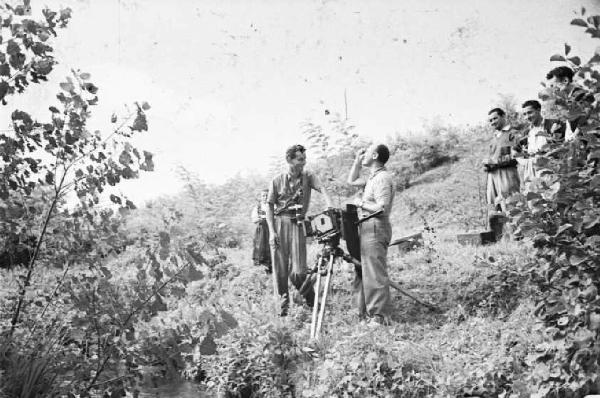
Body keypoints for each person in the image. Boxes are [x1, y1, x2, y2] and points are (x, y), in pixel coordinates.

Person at [266, 144, 333, 316]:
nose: (303, 163)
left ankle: (311, 300)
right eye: (300, 159)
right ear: (289, 159)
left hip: (298, 224)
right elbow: (269, 207)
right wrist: (272, 232)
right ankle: (283, 310)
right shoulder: (276, 180)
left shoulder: (308, 176)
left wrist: (329, 204)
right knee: (280, 270)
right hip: (280, 223)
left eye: (304, 159)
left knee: (299, 271)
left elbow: (322, 188)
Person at [347, 143, 395, 327]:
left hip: (375, 226)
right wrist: (357, 162)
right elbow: (351, 181)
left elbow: (382, 208)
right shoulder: (373, 178)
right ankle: (369, 313)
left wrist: (360, 203)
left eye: (366, 152)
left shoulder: (382, 178)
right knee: (365, 271)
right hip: (368, 226)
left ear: (375, 155)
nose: (362, 153)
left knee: (375, 272)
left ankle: (379, 317)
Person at [483, 108, 521, 239]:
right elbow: (492, 156)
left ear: (503, 117)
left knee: (510, 203)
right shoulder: (494, 137)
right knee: (493, 205)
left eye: (495, 118)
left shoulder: (512, 133)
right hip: (493, 175)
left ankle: (517, 236)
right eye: (490, 120)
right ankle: (499, 238)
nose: (493, 122)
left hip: (507, 173)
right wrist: (488, 164)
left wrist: (496, 162)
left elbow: (516, 155)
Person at [520, 100, 565, 183]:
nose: (527, 117)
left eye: (530, 113)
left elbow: (563, 145)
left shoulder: (554, 124)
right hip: (532, 171)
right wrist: (524, 162)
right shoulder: (526, 132)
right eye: (524, 114)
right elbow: (515, 150)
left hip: (551, 169)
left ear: (538, 110)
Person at [545, 66, 593, 142]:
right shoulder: (566, 99)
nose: (553, 89)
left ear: (565, 81)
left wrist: (575, 135)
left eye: (553, 85)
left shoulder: (581, 95)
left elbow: (585, 117)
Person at [251, 189, 272, 274]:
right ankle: (260, 267)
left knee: (270, 247)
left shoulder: (273, 206)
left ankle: (270, 267)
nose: (265, 197)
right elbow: (254, 219)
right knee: (260, 246)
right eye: (263, 195)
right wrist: (259, 218)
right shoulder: (258, 207)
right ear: (261, 197)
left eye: (267, 195)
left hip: (271, 229)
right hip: (261, 230)